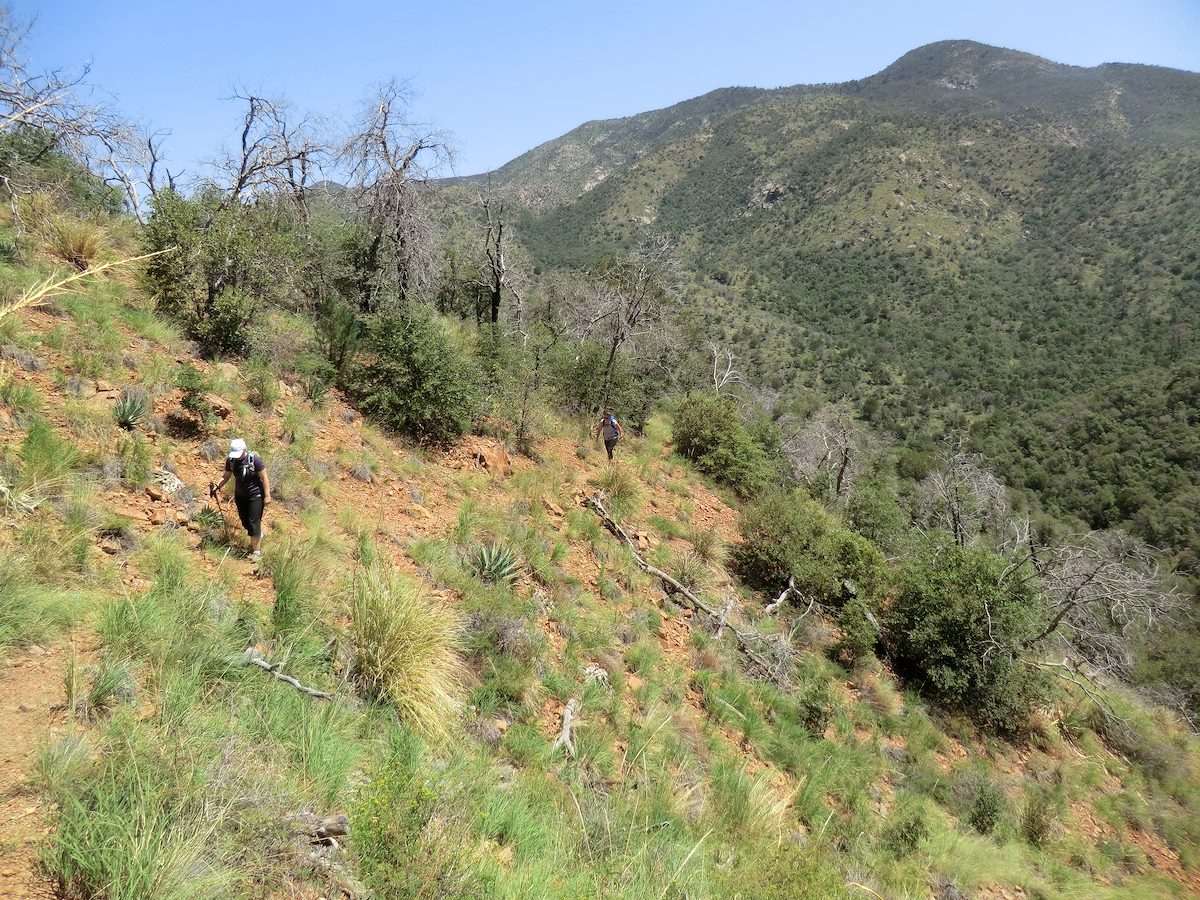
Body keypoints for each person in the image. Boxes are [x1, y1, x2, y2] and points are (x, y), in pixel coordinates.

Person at [212, 437, 271, 561]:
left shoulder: (254, 459)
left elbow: (264, 477)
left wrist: (267, 496)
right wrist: (217, 486)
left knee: (254, 522)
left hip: (255, 495)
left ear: (244, 450)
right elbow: (226, 476)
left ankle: (256, 552)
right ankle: (258, 534)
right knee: (245, 522)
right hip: (240, 496)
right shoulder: (231, 461)